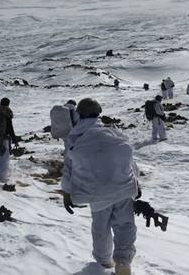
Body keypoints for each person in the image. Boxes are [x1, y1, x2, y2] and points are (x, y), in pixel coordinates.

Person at [61, 98, 139, 275]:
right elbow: (129, 161)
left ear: (79, 114)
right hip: (122, 189)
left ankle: (104, 263)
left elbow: (68, 170)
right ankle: (123, 263)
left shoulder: (75, 138)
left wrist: (67, 193)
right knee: (125, 225)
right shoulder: (113, 133)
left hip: (96, 193)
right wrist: (136, 182)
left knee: (101, 228)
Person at [0, 97, 19, 182]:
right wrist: (15, 140)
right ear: (8, 104)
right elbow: (10, 128)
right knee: (4, 157)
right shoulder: (6, 113)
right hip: (3, 138)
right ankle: (2, 178)